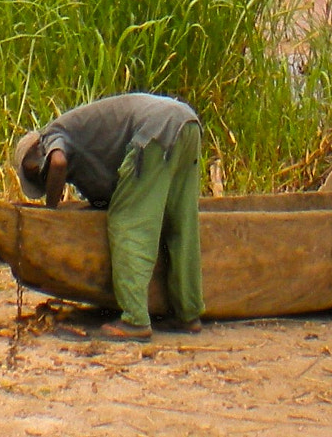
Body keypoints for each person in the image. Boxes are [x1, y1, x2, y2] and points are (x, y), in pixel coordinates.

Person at [15, 92, 205, 339]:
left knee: (128, 223)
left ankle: (135, 320)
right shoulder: (81, 140)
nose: (41, 175)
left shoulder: (52, 135)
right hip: (186, 122)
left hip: (154, 131)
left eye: (35, 172)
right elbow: (106, 186)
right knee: (180, 223)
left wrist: (52, 213)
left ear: (37, 152)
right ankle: (188, 314)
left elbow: (58, 163)